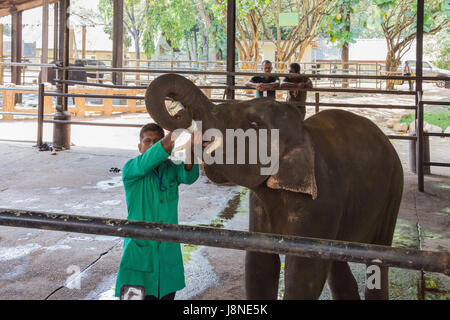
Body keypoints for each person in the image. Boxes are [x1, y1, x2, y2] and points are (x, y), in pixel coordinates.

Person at [115, 123, 200, 300]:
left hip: (167, 256)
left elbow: (189, 176)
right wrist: (178, 128)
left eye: (156, 141)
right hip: (139, 256)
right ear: (140, 147)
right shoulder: (131, 169)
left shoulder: (172, 168)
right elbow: (157, 152)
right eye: (148, 141)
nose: (152, 145)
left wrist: (192, 147)